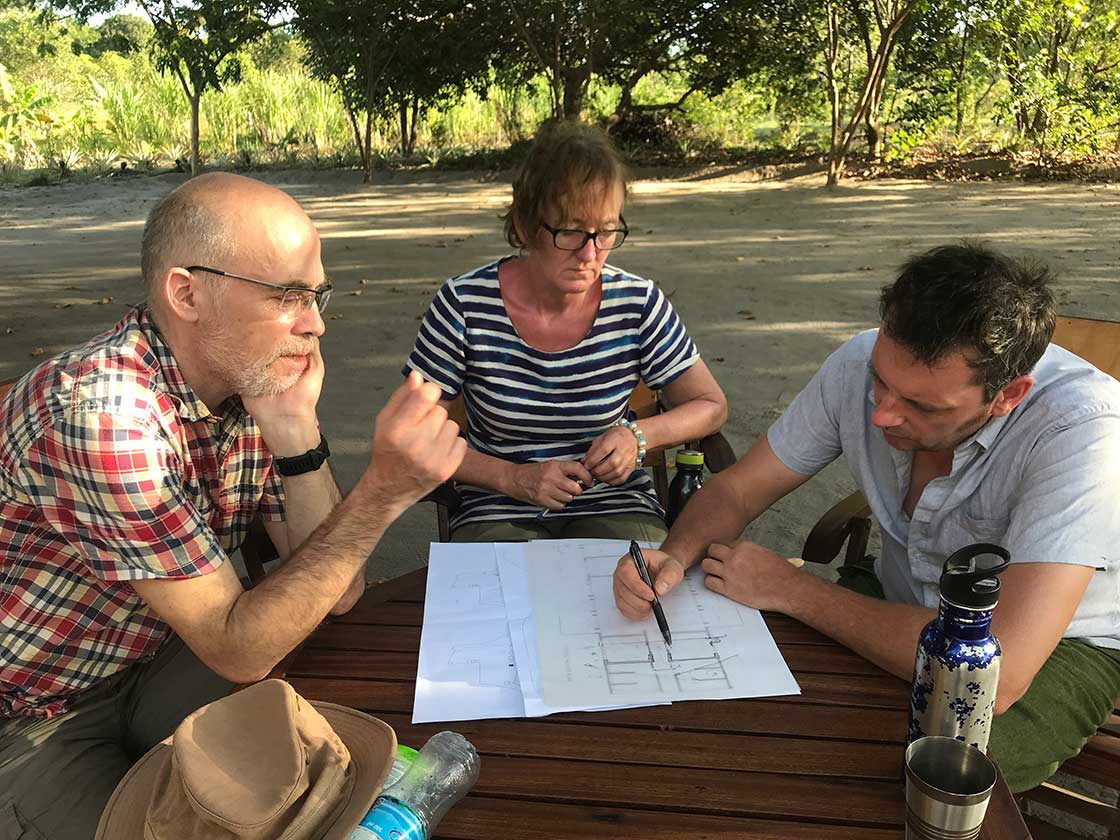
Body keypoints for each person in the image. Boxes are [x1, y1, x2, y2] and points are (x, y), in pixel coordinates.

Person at [0, 173, 465, 840]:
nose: (316, 323)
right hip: (32, 715)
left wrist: (298, 435)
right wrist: (382, 493)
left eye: (316, 294)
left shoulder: (241, 382)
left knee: (340, 771)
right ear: (186, 293)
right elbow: (237, 649)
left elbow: (337, 590)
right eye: (288, 296)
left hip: (152, 660)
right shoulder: (105, 417)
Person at [613, 242, 1120, 793]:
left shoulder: (1083, 431)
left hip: (1061, 646)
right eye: (881, 380)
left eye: (924, 406)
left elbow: (998, 670)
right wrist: (673, 555)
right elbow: (737, 490)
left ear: (1008, 396)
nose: (881, 412)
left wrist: (796, 590)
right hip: (902, 597)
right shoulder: (858, 365)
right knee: (756, 712)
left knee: (922, 773)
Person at [405, 121, 727, 542]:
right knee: (501, 605)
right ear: (524, 226)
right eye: (571, 232)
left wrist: (638, 436)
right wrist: (515, 478)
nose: (590, 254)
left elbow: (711, 405)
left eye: (606, 231)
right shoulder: (464, 305)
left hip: (615, 501)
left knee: (641, 599)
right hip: (497, 505)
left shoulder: (636, 303)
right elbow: (413, 435)